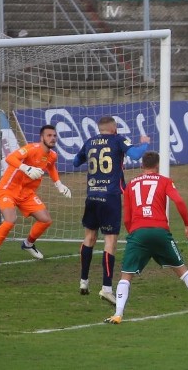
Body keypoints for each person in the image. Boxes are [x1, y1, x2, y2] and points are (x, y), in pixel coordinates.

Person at [104, 151, 188, 324]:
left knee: (126, 276)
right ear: (157, 166)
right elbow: (178, 201)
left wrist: (133, 232)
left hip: (138, 232)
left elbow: (126, 216)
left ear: (142, 166)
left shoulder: (131, 185)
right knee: (182, 271)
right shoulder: (164, 181)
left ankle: (118, 314)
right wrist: (187, 225)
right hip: (160, 231)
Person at [73, 116, 150, 304]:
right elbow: (135, 155)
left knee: (89, 238)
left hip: (92, 196)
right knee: (110, 241)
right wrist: (144, 144)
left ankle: (84, 281)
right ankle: (107, 288)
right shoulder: (118, 140)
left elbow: (76, 162)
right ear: (114, 127)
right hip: (110, 196)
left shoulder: (90, 142)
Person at [0, 125, 71, 266]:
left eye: (54, 136)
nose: (52, 138)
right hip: (7, 189)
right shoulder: (31, 149)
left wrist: (59, 184)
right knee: (10, 220)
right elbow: (10, 158)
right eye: (49, 135)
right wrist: (25, 168)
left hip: (27, 194)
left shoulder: (52, 155)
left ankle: (28, 244)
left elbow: (51, 167)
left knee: (46, 220)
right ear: (42, 137)